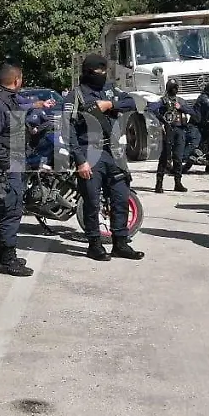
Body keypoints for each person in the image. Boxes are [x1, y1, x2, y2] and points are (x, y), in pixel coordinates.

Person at [70, 54, 145, 261]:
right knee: (92, 202)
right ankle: (94, 244)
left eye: (105, 71)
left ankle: (120, 242)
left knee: (120, 198)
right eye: (99, 71)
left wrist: (109, 105)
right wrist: (79, 160)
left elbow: (132, 102)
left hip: (114, 152)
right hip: (90, 153)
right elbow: (68, 130)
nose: (103, 75)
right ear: (88, 72)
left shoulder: (110, 89)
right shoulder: (76, 96)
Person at [0, 61, 35, 275]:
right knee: (11, 209)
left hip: (13, 162)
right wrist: (4, 165)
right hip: (6, 165)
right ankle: (8, 259)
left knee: (6, 208)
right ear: (16, 79)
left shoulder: (6, 100)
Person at [150, 78, 189, 194]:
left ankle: (178, 182)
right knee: (164, 157)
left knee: (178, 157)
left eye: (176, 87)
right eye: (172, 88)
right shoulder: (163, 101)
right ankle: (159, 183)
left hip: (180, 129)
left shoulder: (180, 101)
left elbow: (189, 110)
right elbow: (151, 109)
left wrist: (180, 107)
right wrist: (162, 120)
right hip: (168, 129)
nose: (175, 90)